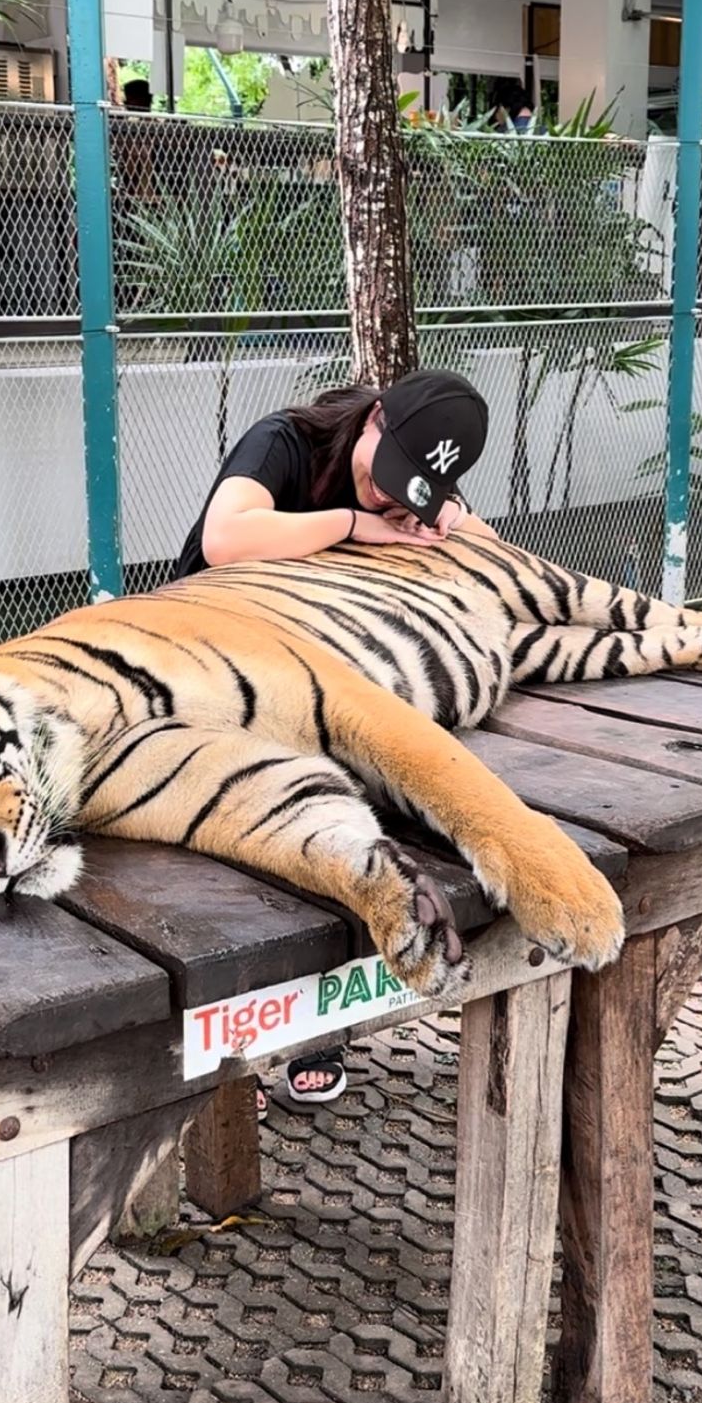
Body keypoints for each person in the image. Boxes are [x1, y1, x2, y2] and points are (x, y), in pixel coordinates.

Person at [172, 370, 492, 1112]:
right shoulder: (286, 442)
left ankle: (319, 1026)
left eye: (411, 489)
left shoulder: (414, 487)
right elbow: (225, 537)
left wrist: (447, 526)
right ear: (375, 418)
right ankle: (222, 1038)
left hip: (317, 681)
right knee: (238, 846)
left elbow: (481, 539)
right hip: (207, 657)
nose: (388, 496)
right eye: (390, 475)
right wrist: (353, 526)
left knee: (356, 829)